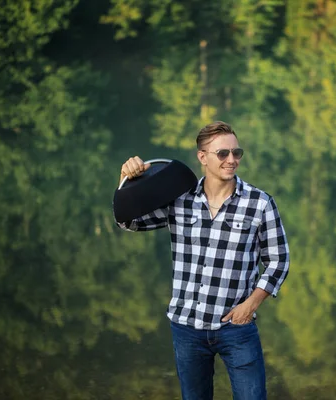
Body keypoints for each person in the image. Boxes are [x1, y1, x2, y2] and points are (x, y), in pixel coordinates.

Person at [116, 121, 290, 400]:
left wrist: (250, 305)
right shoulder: (179, 199)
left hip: (237, 328)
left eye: (237, 153)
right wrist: (127, 180)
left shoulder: (259, 203)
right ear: (202, 157)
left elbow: (279, 260)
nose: (231, 160)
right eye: (222, 153)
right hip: (186, 327)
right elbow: (130, 221)